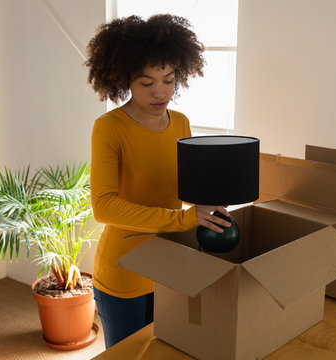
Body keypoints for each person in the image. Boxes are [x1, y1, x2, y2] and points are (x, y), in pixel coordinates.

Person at [84, 14, 231, 348]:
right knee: (127, 355)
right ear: (124, 80)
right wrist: (183, 218)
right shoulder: (109, 128)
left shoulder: (180, 122)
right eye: (146, 83)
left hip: (168, 264)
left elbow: (184, 187)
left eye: (168, 79)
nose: (160, 92)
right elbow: (103, 206)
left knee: (165, 351)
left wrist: (210, 203)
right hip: (124, 271)